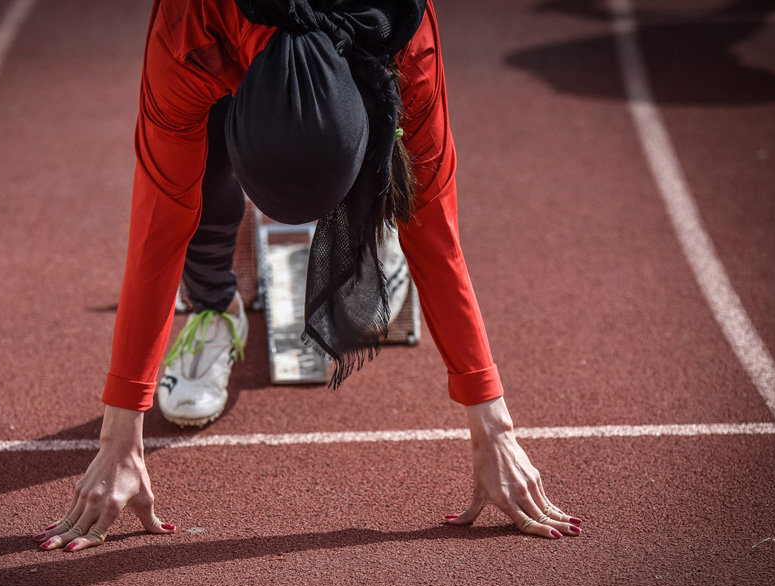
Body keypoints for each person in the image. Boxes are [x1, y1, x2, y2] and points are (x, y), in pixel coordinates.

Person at [33, 0, 582, 553]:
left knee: (406, 185)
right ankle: (216, 307)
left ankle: (372, 203)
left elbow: (435, 231)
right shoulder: (189, 33)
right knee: (198, 183)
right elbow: (160, 226)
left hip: (363, 60)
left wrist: (495, 427)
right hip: (226, 35)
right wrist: (119, 438)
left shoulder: (405, 39)